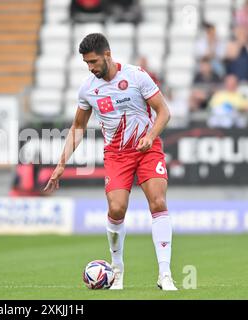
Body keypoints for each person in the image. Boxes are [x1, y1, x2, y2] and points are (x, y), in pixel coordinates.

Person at [43, 33, 177, 291]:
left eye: (93, 62)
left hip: (147, 148)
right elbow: (78, 127)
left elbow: (164, 112)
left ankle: (165, 274)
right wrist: (61, 164)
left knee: (158, 201)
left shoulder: (137, 76)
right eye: (86, 64)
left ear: (107, 54)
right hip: (116, 154)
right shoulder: (88, 89)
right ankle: (117, 270)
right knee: (117, 209)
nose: (90, 68)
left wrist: (150, 136)